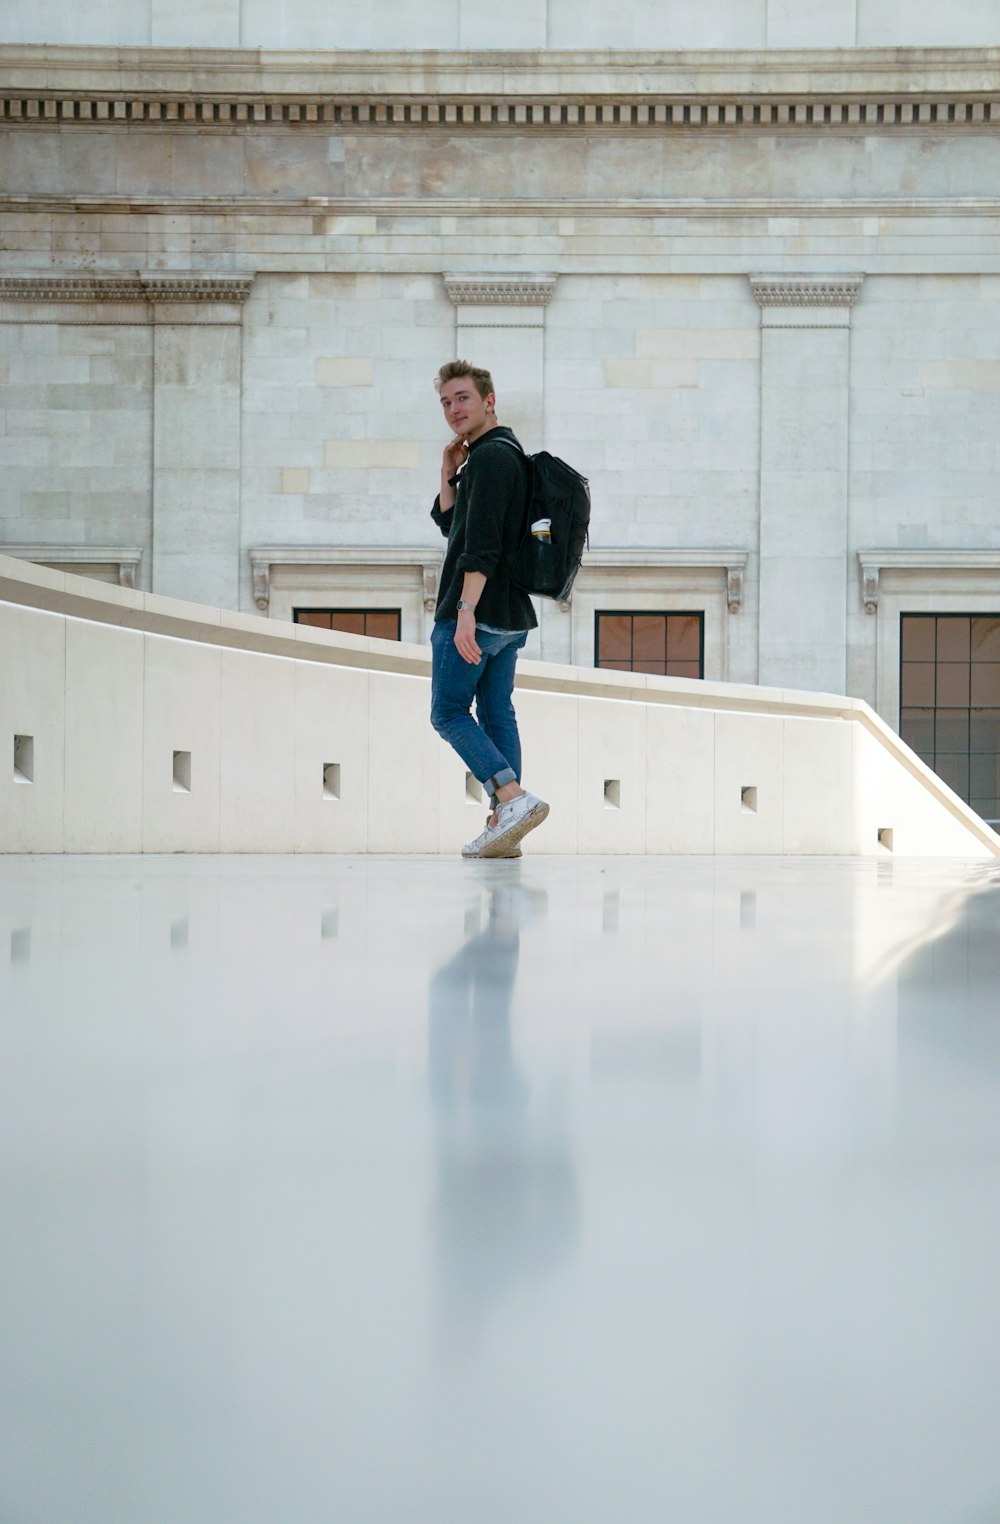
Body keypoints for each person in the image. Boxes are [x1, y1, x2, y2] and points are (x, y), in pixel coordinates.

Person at [429, 360, 549, 859]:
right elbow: (453, 528)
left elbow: (479, 547)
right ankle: (507, 824)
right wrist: (447, 473)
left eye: (463, 398)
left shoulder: (494, 458)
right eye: (446, 402)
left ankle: (512, 798)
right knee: (497, 712)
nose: (454, 409)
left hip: (479, 611)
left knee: (449, 713)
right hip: (509, 614)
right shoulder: (499, 456)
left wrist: (464, 611)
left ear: (489, 400)